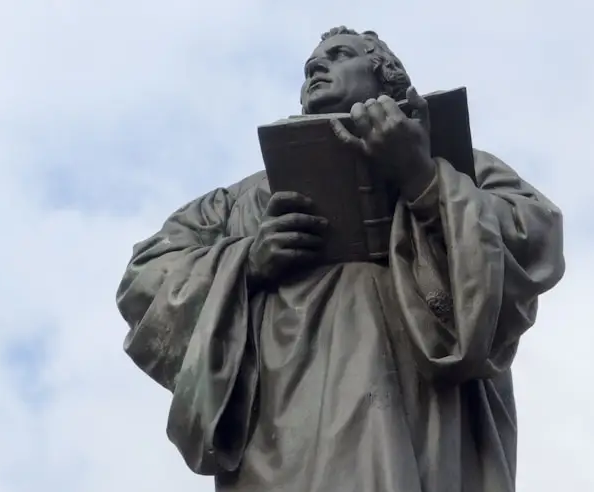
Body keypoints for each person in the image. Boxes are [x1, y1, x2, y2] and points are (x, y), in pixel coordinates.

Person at [115, 26, 565, 492]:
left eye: (339, 55)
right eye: (311, 63)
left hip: (426, 419)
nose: (315, 67)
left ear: (385, 78)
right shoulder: (245, 199)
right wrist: (246, 262)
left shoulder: (455, 163)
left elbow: (534, 236)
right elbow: (146, 278)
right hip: (290, 429)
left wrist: (424, 180)